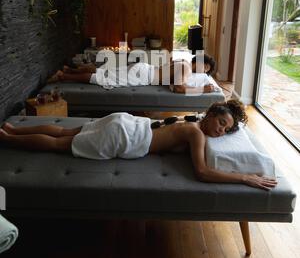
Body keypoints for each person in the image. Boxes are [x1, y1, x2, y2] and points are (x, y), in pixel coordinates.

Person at [0, 100, 277, 191]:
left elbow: (159, 124)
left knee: (64, 130)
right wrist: (245, 177)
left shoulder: (191, 116)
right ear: (212, 116)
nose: (220, 132)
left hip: (126, 121)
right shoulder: (196, 133)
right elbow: (202, 173)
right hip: (127, 137)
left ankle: (14, 129)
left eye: (226, 130)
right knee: (60, 145)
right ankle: (9, 138)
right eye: (221, 124)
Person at [47, 55, 216, 93]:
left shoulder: (182, 60)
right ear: (199, 61)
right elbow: (179, 88)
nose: (205, 71)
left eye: (207, 70)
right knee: (102, 78)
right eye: (206, 67)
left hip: (144, 68)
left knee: (104, 72)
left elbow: (170, 79)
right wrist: (203, 90)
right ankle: (63, 77)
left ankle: (69, 70)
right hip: (143, 76)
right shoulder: (186, 68)